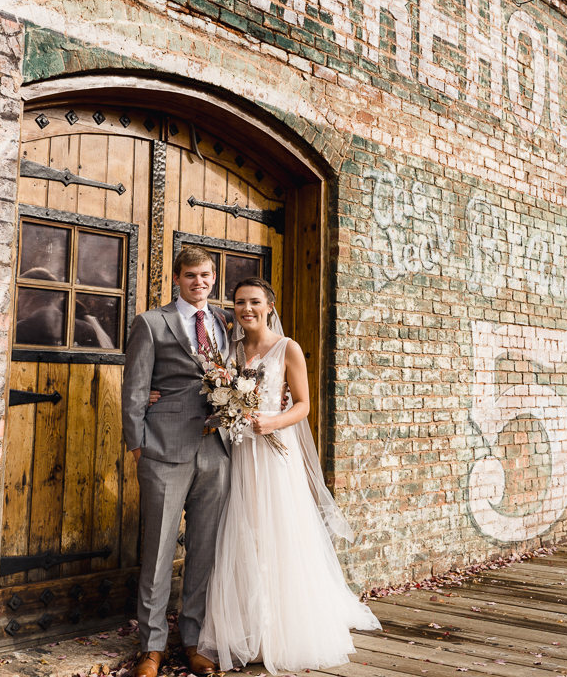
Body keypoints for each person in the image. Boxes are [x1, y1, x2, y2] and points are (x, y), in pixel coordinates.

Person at [198, 276, 381, 674]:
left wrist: (273, 421)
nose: (247, 309)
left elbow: (304, 405)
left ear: (269, 307)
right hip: (241, 454)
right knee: (244, 532)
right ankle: (246, 627)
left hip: (275, 454)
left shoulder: (287, 348)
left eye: (254, 303)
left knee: (278, 532)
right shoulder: (230, 350)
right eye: (240, 303)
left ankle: (282, 631)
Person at [121, 247, 233, 677]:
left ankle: (194, 640)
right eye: (190, 276)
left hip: (217, 450)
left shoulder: (225, 320)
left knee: (205, 551)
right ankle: (151, 648)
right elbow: (135, 388)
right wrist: (138, 445)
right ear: (176, 278)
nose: (199, 282)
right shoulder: (151, 323)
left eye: (205, 275)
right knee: (159, 551)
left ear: (213, 277)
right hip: (164, 450)